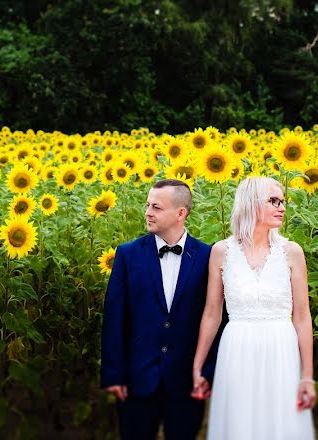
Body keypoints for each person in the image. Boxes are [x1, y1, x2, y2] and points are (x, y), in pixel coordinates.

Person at [191, 176, 315, 439]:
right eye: (273, 201)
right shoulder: (221, 251)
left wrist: (307, 377)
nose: (281, 207)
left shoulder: (292, 252)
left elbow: (302, 317)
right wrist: (198, 366)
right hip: (237, 350)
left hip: (281, 349)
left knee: (281, 425)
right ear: (250, 203)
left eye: (282, 201)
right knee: (239, 425)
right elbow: (213, 313)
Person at [101, 179, 218, 440]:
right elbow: (114, 319)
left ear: (180, 213)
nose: (148, 212)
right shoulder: (127, 255)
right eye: (147, 205)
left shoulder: (207, 256)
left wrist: (207, 372)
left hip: (187, 381)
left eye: (156, 207)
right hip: (136, 380)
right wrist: (113, 374)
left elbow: (216, 319)